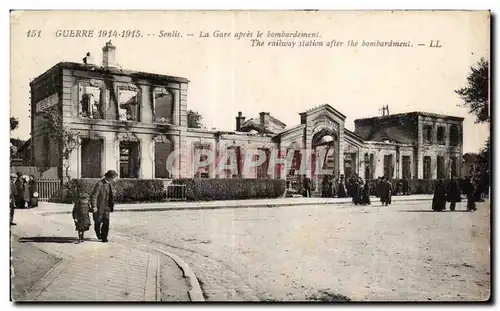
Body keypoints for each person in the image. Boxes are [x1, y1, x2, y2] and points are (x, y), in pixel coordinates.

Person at [91, 170, 117, 243]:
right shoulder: (100, 184)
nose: (114, 179)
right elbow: (94, 196)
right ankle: (98, 233)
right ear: (109, 177)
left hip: (107, 207)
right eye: (113, 177)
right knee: (98, 222)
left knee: (106, 222)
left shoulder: (110, 184)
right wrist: (94, 206)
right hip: (100, 206)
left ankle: (104, 237)